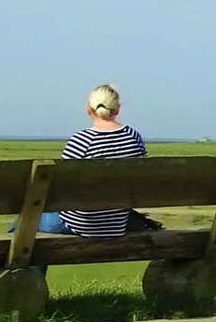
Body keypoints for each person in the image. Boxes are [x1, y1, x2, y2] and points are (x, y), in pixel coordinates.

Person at [15, 84, 152, 247]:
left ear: (89, 108)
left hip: (82, 224)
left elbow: (60, 185)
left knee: (22, 223)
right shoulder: (133, 137)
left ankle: (26, 271)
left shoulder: (82, 140)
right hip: (117, 223)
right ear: (118, 109)